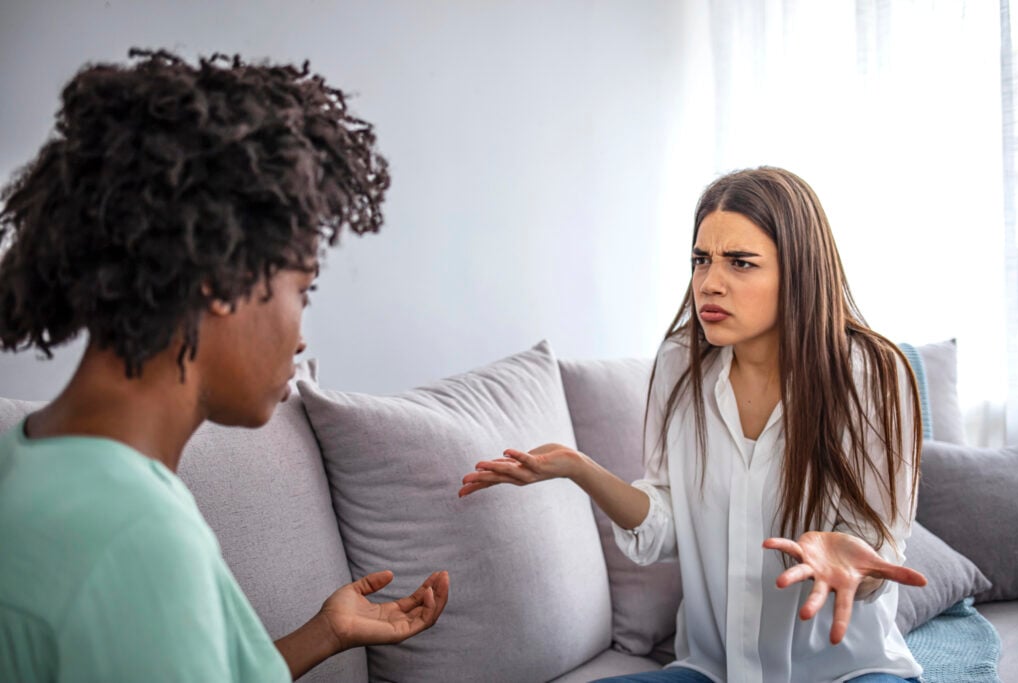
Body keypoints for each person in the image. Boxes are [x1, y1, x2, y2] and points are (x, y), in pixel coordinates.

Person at [0, 49, 449, 682]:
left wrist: (325, 633)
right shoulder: (133, 540)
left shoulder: (37, 461)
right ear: (222, 278)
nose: (300, 338)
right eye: (303, 290)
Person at [460, 167, 926, 683]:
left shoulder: (872, 375)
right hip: (713, 671)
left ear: (799, 271)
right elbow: (663, 526)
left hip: (847, 673)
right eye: (700, 260)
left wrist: (852, 563)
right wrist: (579, 468)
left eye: (740, 263)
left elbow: (877, 549)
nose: (710, 282)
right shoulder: (681, 362)